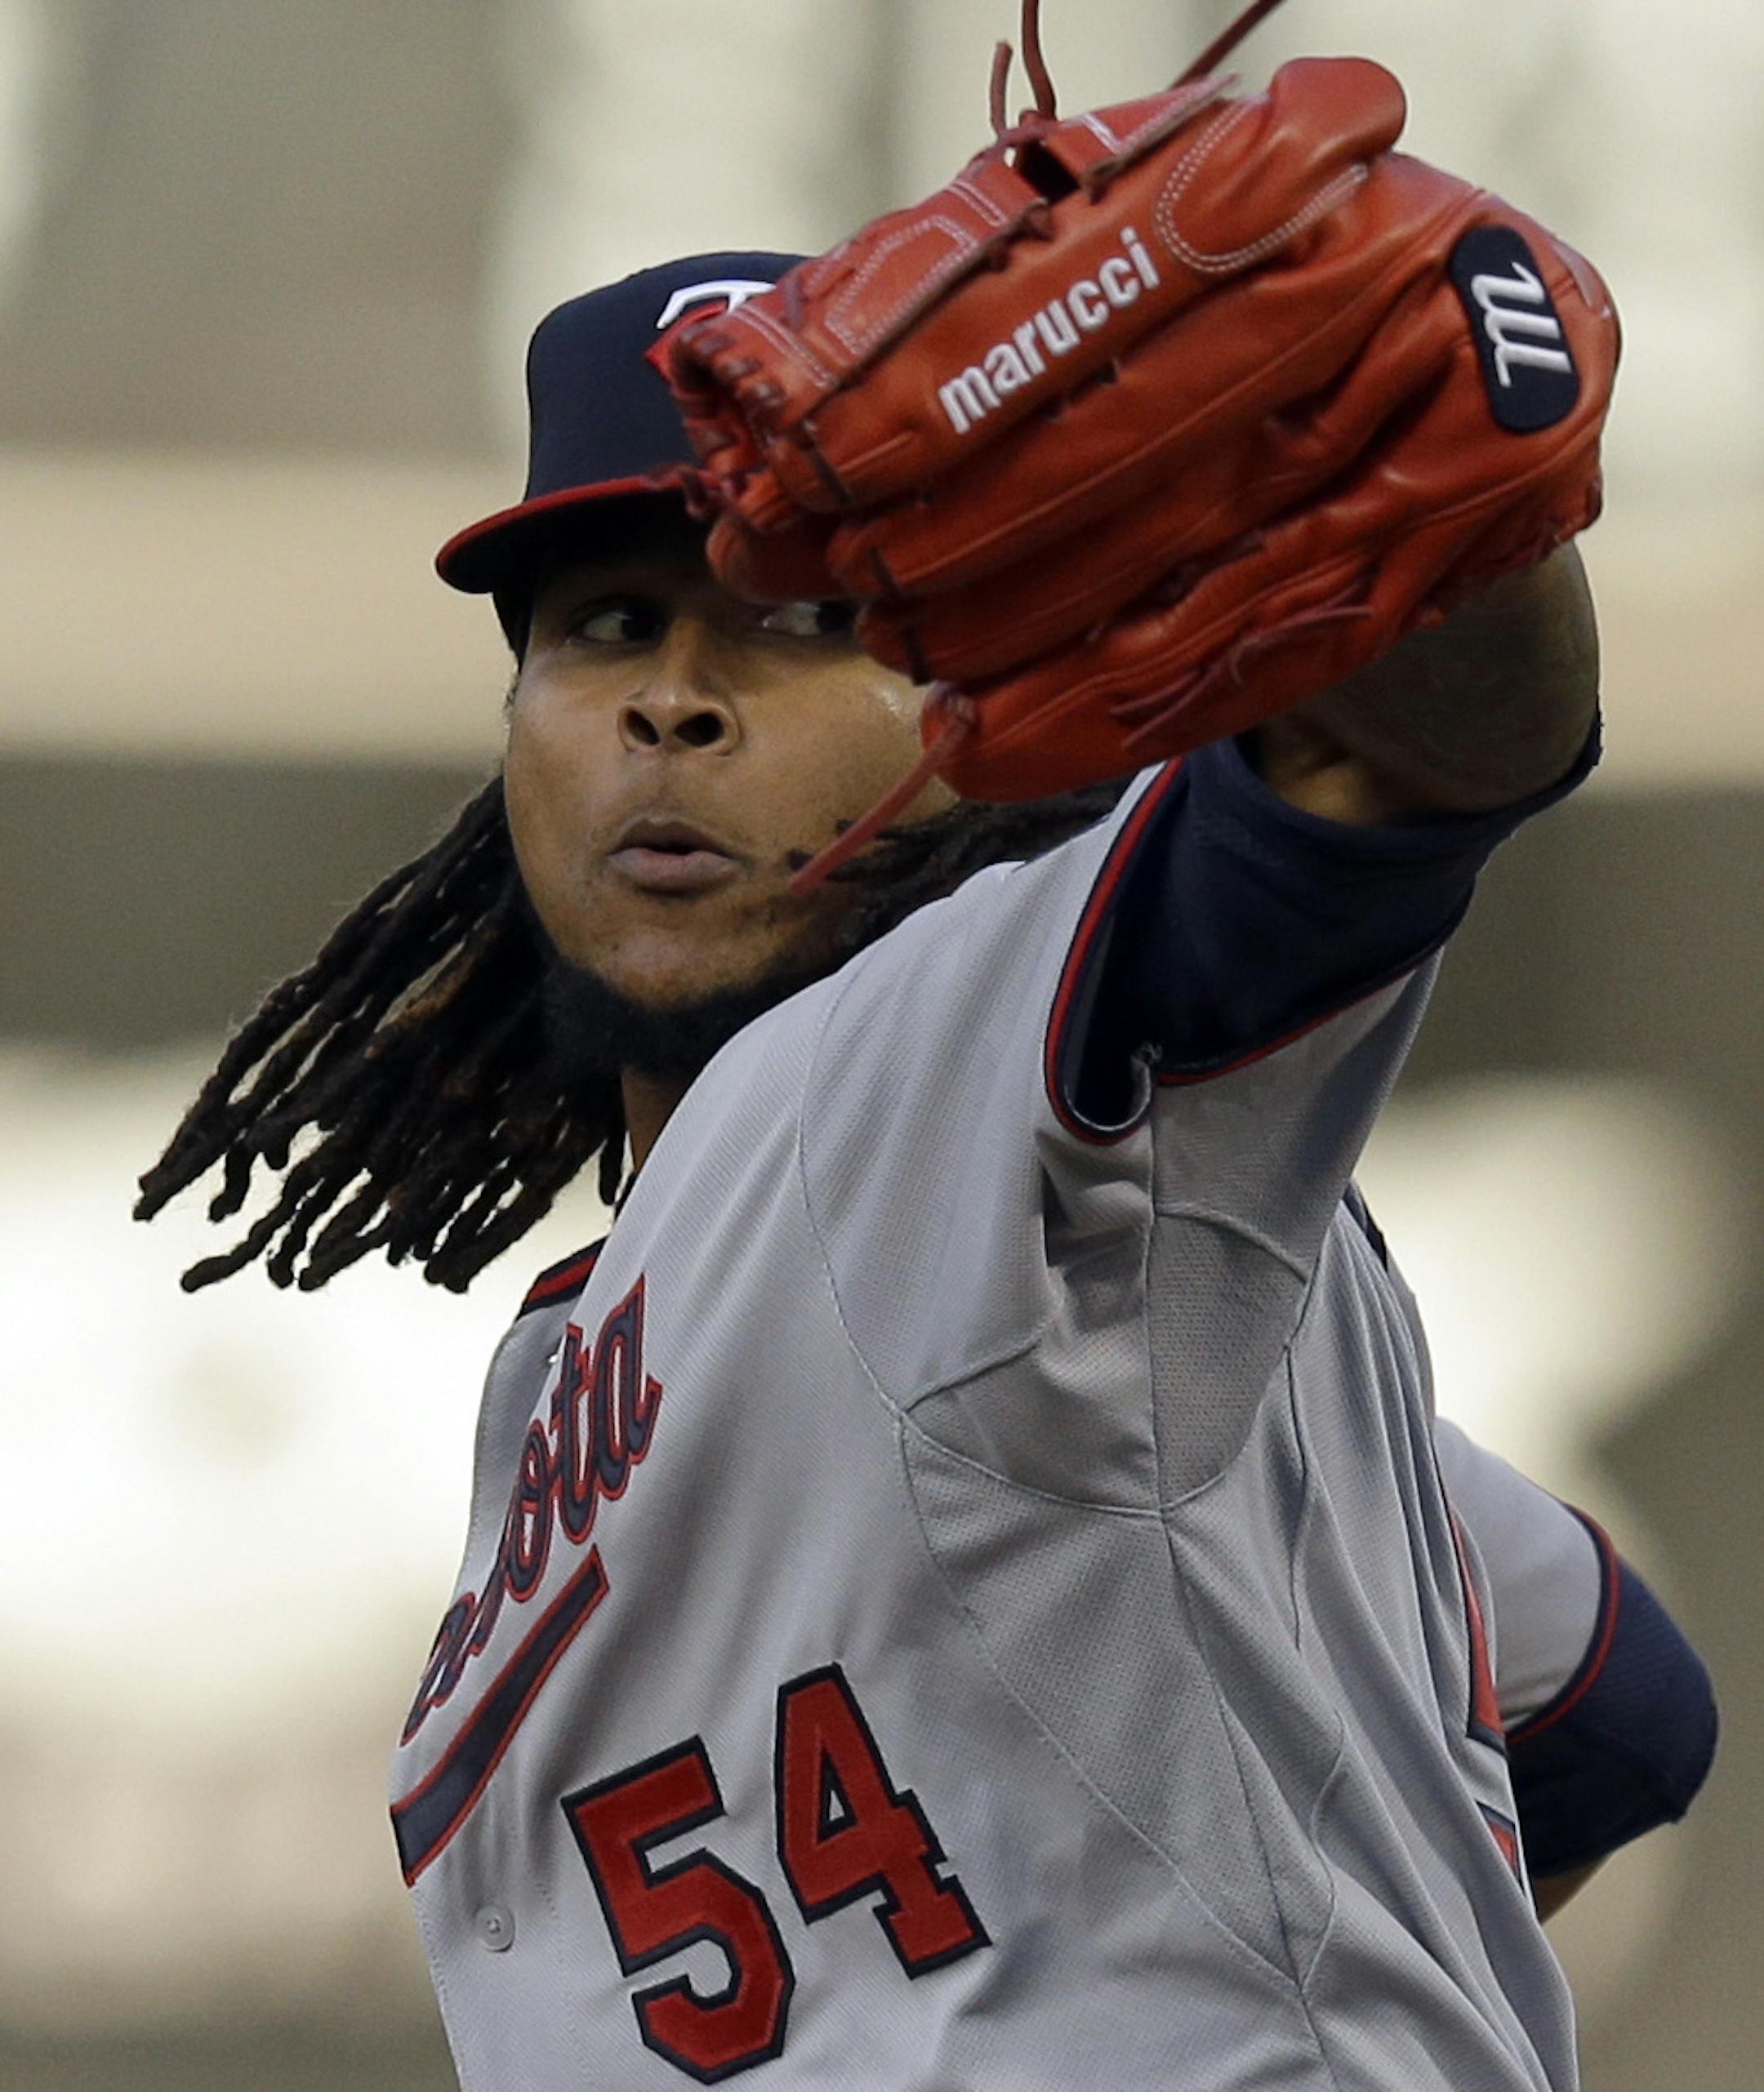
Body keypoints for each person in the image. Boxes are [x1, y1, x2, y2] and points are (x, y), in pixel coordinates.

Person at [140, 246, 1716, 2090]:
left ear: (990, 717)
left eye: (807, 623)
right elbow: (1603, 1703)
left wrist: (1449, 417)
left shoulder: (950, 1073)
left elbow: (1408, 773)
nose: (676, 700)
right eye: (603, 626)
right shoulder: (595, 1382)